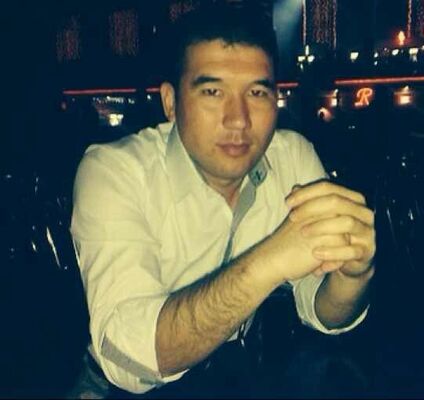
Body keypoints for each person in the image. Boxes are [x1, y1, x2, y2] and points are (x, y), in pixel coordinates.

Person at [70, 4, 376, 398]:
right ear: (170, 102)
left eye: (257, 92)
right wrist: (270, 260)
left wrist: (353, 276)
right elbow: (129, 357)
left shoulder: (291, 157)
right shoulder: (114, 170)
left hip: (241, 372)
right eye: (212, 91)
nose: (238, 119)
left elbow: (321, 309)